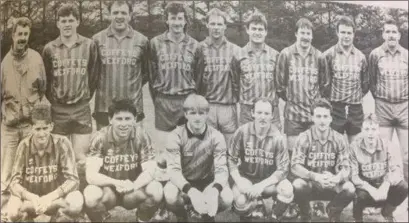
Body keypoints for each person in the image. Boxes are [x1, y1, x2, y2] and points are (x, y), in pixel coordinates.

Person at [83, 99, 162, 222]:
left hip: (132, 190)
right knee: (90, 194)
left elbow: (151, 170)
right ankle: (103, 219)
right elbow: (90, 176)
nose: (123, 124)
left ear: (135, 119)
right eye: (119, 119)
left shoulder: (141, 136)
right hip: (108, 190)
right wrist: (116, 182)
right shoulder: (100, 137)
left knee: (156, 189)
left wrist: (134, 185)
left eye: (128, 118)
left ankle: (142, 219)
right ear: (110, 120)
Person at [275, 17, 323, 219]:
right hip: (293, 115)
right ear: (296, 34)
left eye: (308, 33)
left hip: (313, 117)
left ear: (312, 36)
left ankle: (316, 202)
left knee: (315, 159)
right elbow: (280, 86)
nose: (305, 36)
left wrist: (313, 107)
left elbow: (325, 85)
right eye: (302, 32)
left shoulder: (319, 57)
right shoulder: (285, 55)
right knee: (295, 160)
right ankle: (295, 202)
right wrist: (294, 101)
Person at [42, 3, 100, 163]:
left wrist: (85, 96)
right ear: (58, 23)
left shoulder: (89, 45)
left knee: (81, 157)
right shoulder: (49, 48)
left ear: (77, 22)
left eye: (70, 20)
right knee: (60, 158)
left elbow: (94, 76)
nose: (67, 24)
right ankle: (65, 188)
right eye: (63, 21)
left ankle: (81, 187)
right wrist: (55, 100)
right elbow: (46, 80)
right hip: (58, 109)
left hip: (81, 108)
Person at [6, 104, 84, 222]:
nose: (41, 134)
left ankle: (58, 217)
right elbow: (13, 183)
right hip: (32, 200)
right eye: (37, 129)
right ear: (31, 128)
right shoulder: (24, 145)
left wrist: (50, 197)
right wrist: (30, 197)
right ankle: (29, 218)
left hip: (55, 198)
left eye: (45, 128)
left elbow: (73, 180)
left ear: (51, 126)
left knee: (76, 201)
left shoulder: (62, 143)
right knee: (12, 211)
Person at [164, 94, 233, 222]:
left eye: (201, 113)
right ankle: (183, 214)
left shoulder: (217, 136)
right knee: (169, 195)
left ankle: (206, 215)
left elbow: (222, 169)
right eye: (193, 113)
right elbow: (173, 171)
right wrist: (190, 191)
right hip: (184, 181)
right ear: (185, 114)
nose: (197, 117)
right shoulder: (175, 136)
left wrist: (214, 190)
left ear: (207, 114)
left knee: (227, 197)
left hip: (207, 181)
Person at [1, 17, 47, 196]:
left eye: (26, 34)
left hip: (30, 125)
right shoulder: (4, 64)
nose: (22, 38)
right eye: (19, 34)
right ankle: (5, 212)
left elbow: (43, 89)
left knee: (33, 168)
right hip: (10, 127)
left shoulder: (36, 59)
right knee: (5, 173)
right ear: (13, 35)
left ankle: (34, 208)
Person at [227, 98, 294, 222]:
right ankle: (247, 215)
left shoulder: (277, 137)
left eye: (266, 113)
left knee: (287, 189)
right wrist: (239, 181)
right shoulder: (242, 131)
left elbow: (283, 169)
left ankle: (274, 216)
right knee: (241, 201)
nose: (262, 117)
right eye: (259, 113)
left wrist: (261, 185)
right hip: (247, 179)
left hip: (268, 183)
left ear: (272, 115)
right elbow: (231, 159)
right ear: (252, 113)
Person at [149, 2, 200, 157]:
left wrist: (192, 99)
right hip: (164, 100)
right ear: (167, 20)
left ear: (185, 21)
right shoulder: (155, 43)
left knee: (188, 148)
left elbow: (198, 77)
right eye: (173, 18)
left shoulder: (195, 45)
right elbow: (152, 76)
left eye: (180, 18)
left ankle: (186, 179)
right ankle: (164, 178)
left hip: (186, 99)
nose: (177, 22)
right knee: (163, 151)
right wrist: (158, 98)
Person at [291, 98, 355, 222]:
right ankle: (306, 213)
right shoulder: (304, 137)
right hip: (311, 184)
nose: (322, 120)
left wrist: (337, 178)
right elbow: (295, 166)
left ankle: (333, 211)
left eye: (325, 116)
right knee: (297, 184)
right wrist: (315, 176)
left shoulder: (339, 138)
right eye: (318, 116)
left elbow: (346, 167)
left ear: (331, 118)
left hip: (332, 184)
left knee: (350, 188)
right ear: (312, 118)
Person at [92, 1, 149, 130]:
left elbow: (146, 73)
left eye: (123, 12)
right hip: (104, 106)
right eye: (115, 12)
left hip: (133, 106)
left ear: (130, 15)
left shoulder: (142, 40)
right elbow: (93, 73)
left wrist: (130, 86)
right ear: (109, 15)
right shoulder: (97, 39)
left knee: (133, 147)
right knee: (105, 148)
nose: (119, 16)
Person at [368, 18, 408, 185]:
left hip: (404, 107)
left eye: (394, 32)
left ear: (399, 35)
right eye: (388, 31)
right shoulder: (375, 55)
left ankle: (405, 193)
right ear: (383, 34)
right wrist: (380, 98)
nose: (391, 35)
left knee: (407, 153)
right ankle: (381, 193)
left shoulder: (407, 54)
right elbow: (371, 81)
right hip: (383, 107)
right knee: (381, 152)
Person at [350, 113, 408, 222]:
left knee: (403, 187)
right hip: (365, 189)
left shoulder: (388, 145)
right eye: (367, 129)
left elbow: (396, 171)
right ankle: (357, 218)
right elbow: (353, 176)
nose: (370, 133)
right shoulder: (354, 147)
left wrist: (385, 185)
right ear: (362, 130)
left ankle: (387, 212)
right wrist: (370, 189)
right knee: (355, 191)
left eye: (373, 129)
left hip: (383, 186)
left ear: (378, 130)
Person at [320, 16, 369, 144]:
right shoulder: (328, 55)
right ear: (337, 33)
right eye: (343, 32)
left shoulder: (361, 57)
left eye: (349, 33)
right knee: (336, 146)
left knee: (356, 147)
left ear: (353, 34)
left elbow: (365, 84)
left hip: (355, 108)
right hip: (336, 107)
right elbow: (324, 83)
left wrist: (354, 96)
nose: (346, 36)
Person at [196, 8, 240, 145]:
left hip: (228, 106)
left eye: (220, 24)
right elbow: (195, 78)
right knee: (207, 148)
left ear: (225, 26)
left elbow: (240, 79)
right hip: (207, 106)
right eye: (213, 24)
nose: (216, 28)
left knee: (230, 149)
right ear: (207, 25)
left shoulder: (235, 50)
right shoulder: (199, 48)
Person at [236, 11, 281, 129]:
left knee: (272, 144)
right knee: (247, 144)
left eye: (260, 29)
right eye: (254, 29)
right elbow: (234, 83)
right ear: (247, 30)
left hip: (270, 110)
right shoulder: (238, 55)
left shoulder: (275, 55)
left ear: (265, 32)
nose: (257, 32)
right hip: (247, 111)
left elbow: (280, 85)